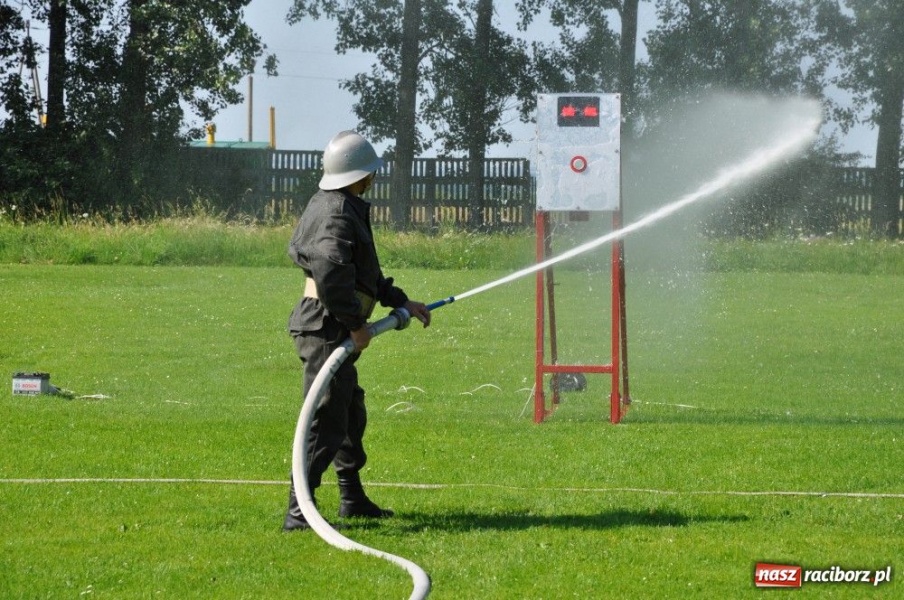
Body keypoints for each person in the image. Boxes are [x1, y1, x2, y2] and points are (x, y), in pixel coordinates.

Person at [283, 130, 431, 531]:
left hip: (331, 323)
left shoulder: (341, 204)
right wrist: (355, 324)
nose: (373, 180)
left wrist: (400, 301)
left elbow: (364, 273)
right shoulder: (335, 212)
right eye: (371, 173)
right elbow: (331, 269)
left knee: (349, 410)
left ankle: (351, 497)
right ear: (360, 175)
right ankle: (299, 513)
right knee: (326, 416)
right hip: (327, 326)